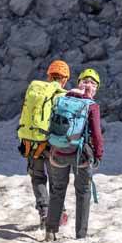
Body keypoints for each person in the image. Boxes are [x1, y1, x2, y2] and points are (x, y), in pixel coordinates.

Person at [44, 68, 105, 241]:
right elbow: (96, 134)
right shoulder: (91, 105)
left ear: (78, 84)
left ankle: (50, 231)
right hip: (81, 155)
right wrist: (98, 155)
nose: (90, 86)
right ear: (94, 89)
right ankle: (80, 235)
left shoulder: (62, 98)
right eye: (91, 83)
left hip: (58, 151)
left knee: (57, 191)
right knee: (83, 192)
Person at [16, 59, 70, 228]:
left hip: (31, 143)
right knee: (56, 180)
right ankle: (58, 214)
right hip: (50, 144)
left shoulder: (35, 91)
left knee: (38, 177)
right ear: (65, 79)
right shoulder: (62, 95)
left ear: (49, 76)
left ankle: (44, 213)